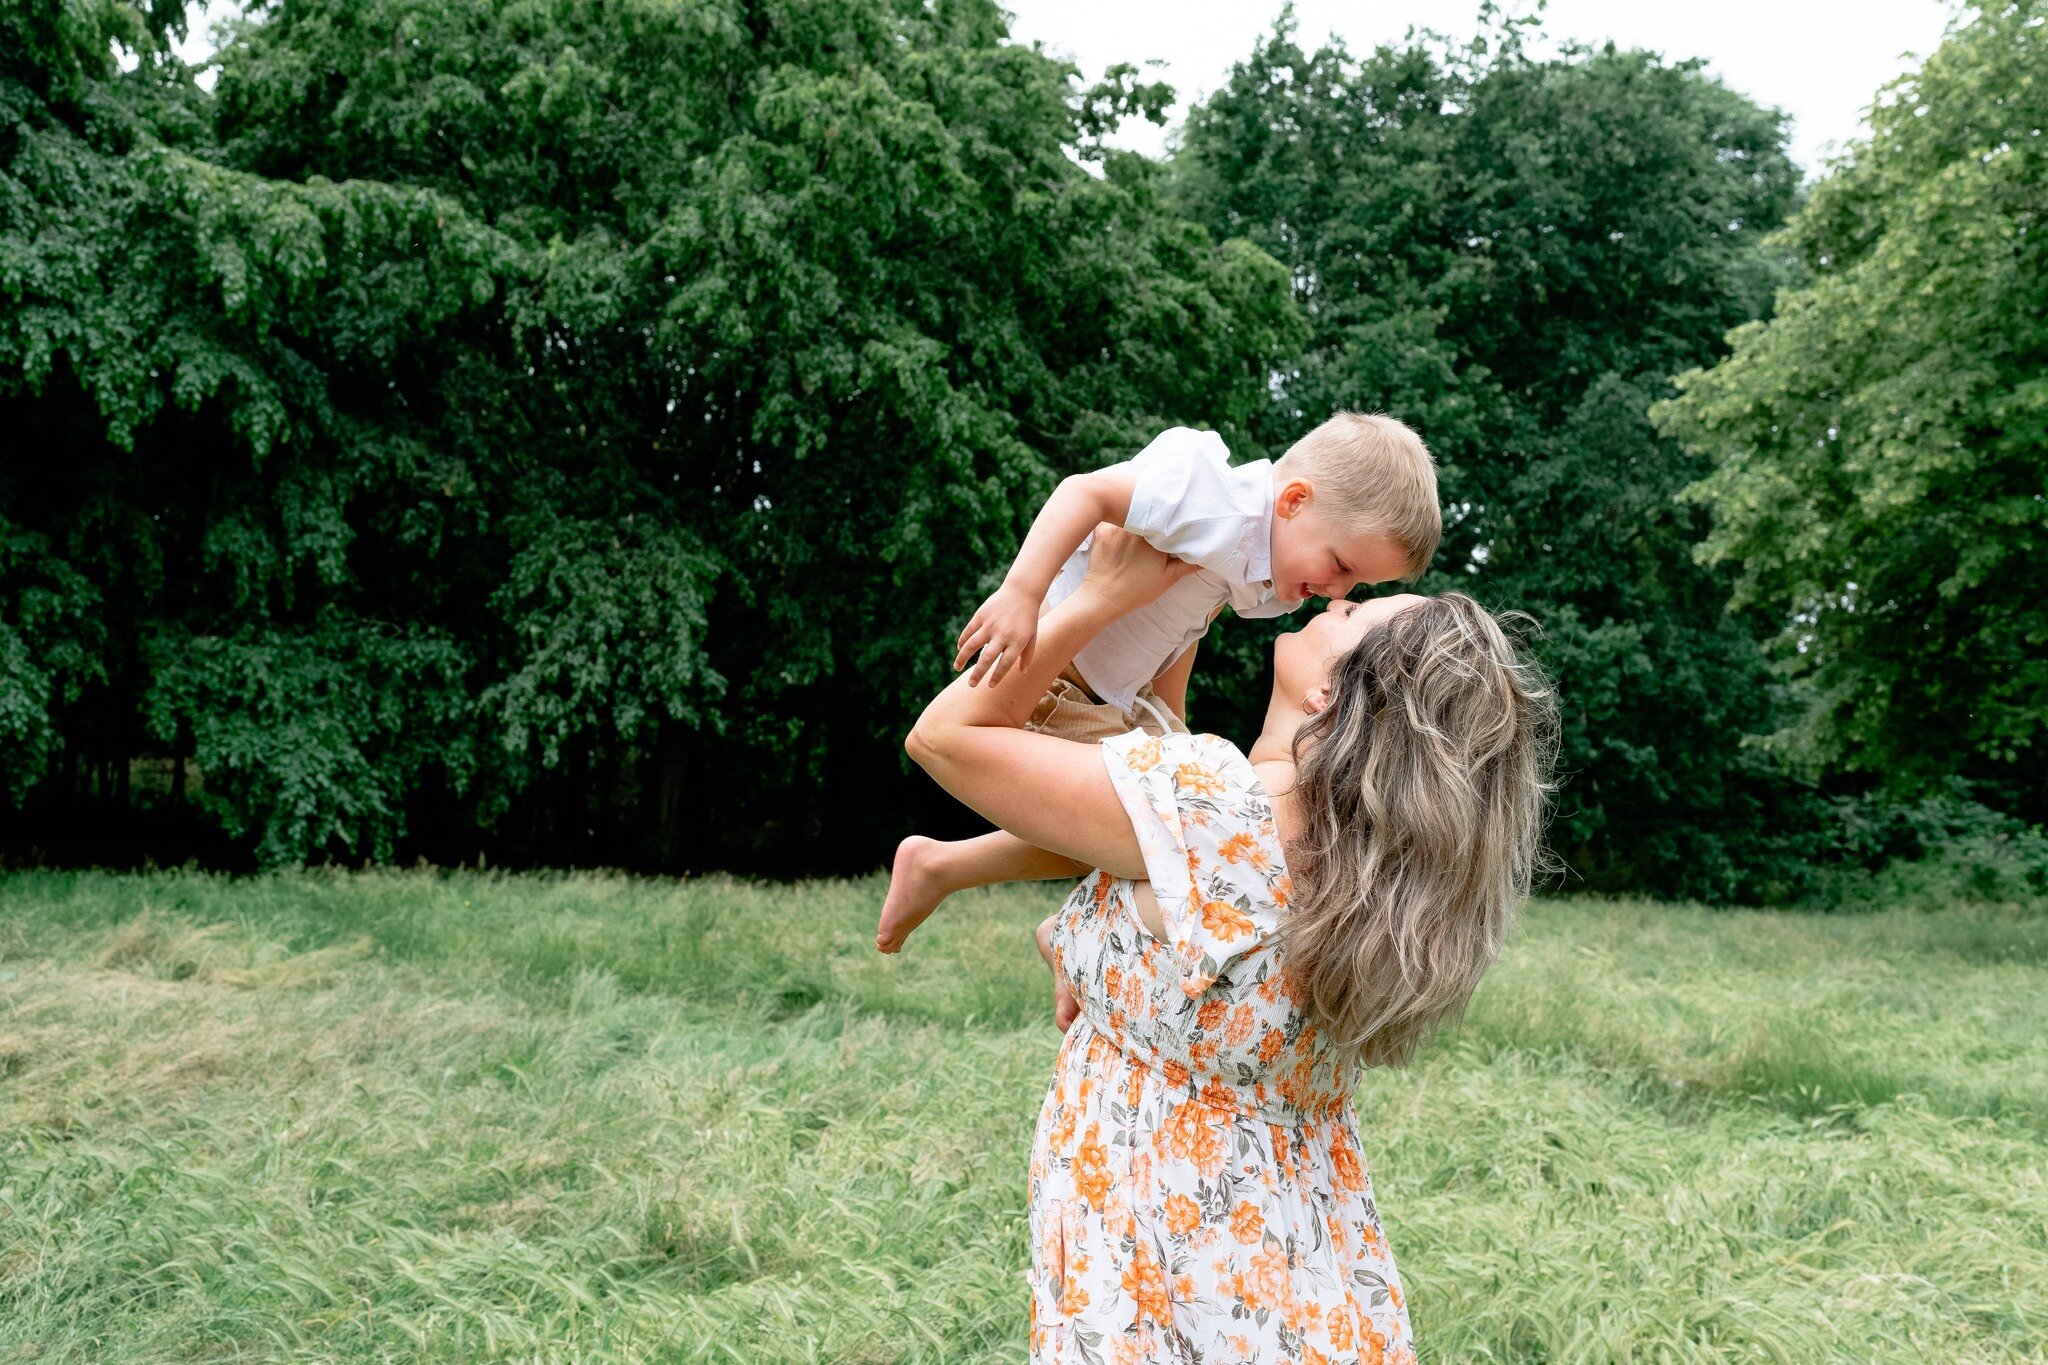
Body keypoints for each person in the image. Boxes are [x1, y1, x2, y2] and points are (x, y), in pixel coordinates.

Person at [905, 526, 1556, 1362]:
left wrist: (1103, 599)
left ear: (1331, 694)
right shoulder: (1360, 868)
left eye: (1357, 614)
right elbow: (1199, 953)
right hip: (1295, 1262)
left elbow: (944, 736)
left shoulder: (1222, 810)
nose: (1338, 601)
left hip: (1159, 1241)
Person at [877, 413, 1442, 955]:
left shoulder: (1264, 562)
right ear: (1294, 501)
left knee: (1161, 830)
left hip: (1123, 691)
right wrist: (1023, 593)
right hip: (1061, 678)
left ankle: (999, 896)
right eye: (1341, 565)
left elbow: (1189, 617)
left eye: (1359, 582)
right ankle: (1013, 905)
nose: (1339, 592)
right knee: (1152, 828)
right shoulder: (1209, 500)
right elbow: (1085, 492)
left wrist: (1171, 723)